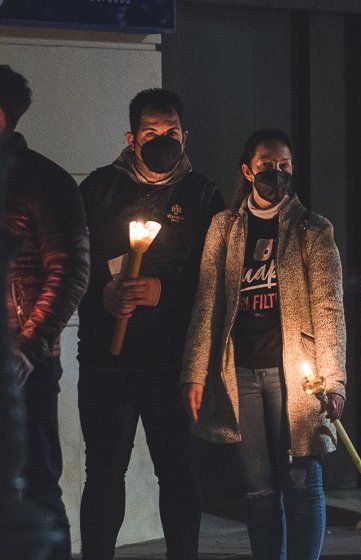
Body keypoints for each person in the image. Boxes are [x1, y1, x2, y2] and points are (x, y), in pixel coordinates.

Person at [181, 129, 346, 559]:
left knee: (301, 480)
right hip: (241, 373)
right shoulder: (226, 226)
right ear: (247, 170)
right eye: (267, 166)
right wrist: (194, 373)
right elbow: (208, 303)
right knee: (257, 489)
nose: (276, 174)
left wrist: (335, 379)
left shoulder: (312, 228)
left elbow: (329, 307)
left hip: (296, 373)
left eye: (285, 166)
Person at [77, 89, 225, 560]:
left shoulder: (202, 196)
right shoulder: (99, 189)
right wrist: (101, 293)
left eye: (171, 133)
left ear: (186, 136)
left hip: (172, 367)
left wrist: (165, 292)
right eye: (151, 133)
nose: (163, 140)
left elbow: (219, 280)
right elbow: (72, 265)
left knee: (178, 473)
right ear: (131, 137)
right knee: (103, 473)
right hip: (106, 364)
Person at [0, 64, 90, 560]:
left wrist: (27, 348)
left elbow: (70, 269)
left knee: (35, 485)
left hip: (23, 365)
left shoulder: (44, 181)